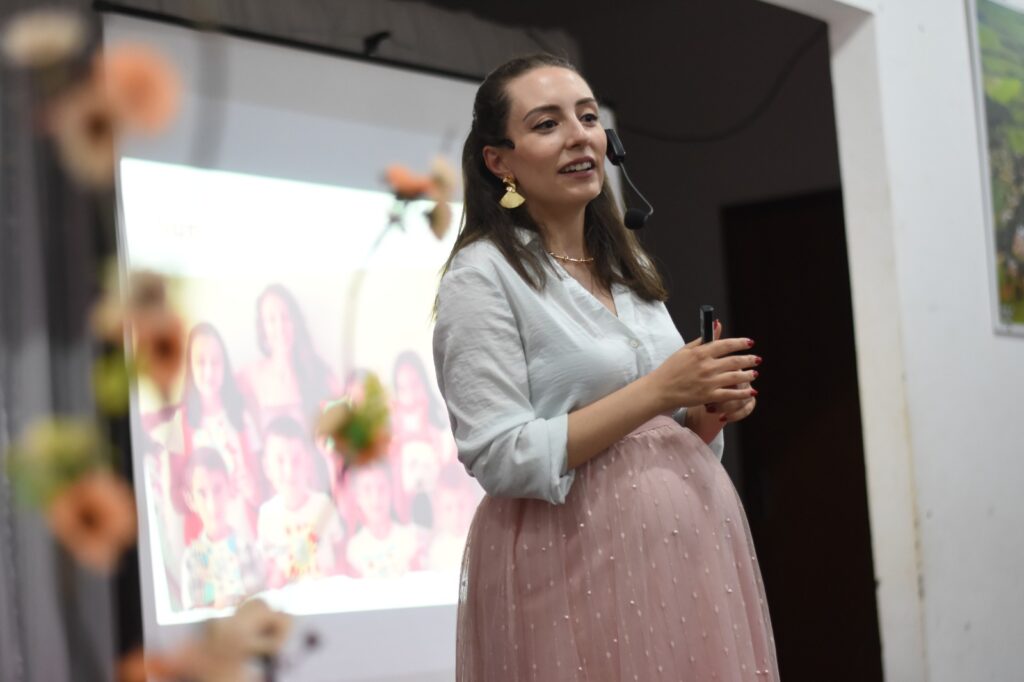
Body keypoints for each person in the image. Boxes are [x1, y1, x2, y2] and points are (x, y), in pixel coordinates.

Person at [432, 54, 778, 680]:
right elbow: (500, 455)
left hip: (681, 553)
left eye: (588, 118)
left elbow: (662, 427)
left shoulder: (626, 265)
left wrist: (703, 411)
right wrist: (658, 391)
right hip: (569, 565)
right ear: (499, 161)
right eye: (547, 124)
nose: (579, 136)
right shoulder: (480, 277)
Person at [239, 283, 340, 431]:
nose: (280, 327)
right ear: (262, 327)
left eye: (285, 317)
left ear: (296, 322)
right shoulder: (250, 376)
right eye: (271, 319)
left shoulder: (319, 373)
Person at [257, 415, 345, 585]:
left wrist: (335, 575)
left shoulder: (323, 505)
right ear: (267, 467)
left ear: (308, 462)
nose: (289, 471)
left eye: (296, 460)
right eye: (280, 460)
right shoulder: (267, 515)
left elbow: (339, 548)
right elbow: (270, 569)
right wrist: (276, 580)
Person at [179, 447, 266, 610]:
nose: (212, 504)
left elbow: (264, 604)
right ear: (190, 500)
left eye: (217, 489)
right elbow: (193, 615)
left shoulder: (249, 548)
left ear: (229, 487)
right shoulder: (192, 560)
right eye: (202, 493)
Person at [344, 460, 421, 579]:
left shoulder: (408, 538)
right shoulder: (355, 549)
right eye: (367, 489)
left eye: (381, 488)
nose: (376, 497)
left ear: (391, 491)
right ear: (357, 497)